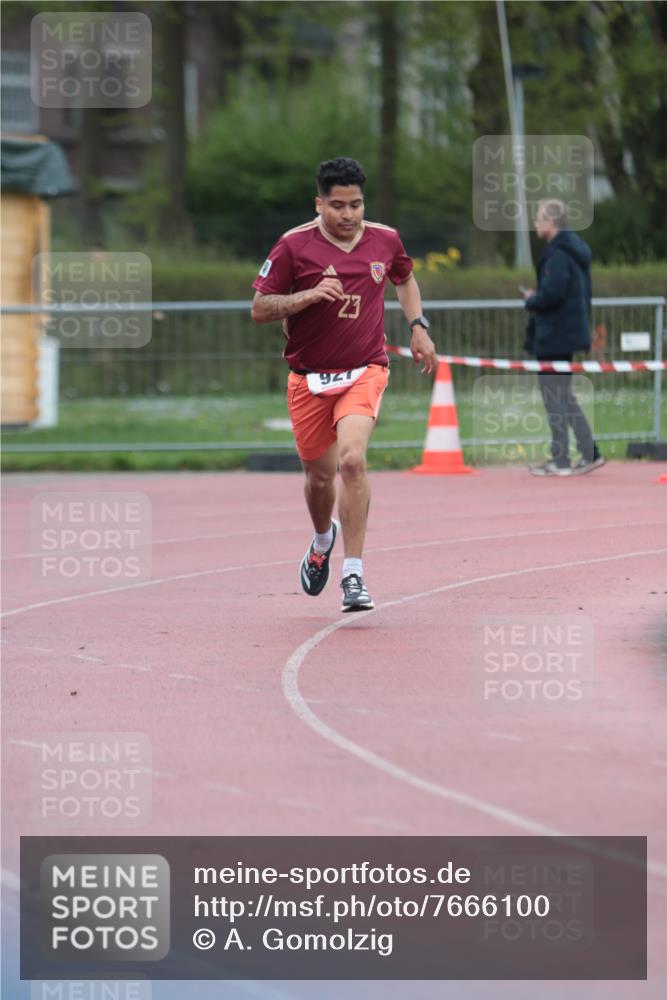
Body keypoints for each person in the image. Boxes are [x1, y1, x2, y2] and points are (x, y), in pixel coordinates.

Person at [251, 156, 437, 611]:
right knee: (319, 479)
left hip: (364, 370)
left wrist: (418, 326)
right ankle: (322, 540)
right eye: (337, 205)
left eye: (356, 204)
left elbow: (405, 278)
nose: (348, 214)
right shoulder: (294, 245)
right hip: (308, 378)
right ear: (319, 203)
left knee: (352, 461)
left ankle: (353, 574)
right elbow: (259, 308)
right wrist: (307, 296)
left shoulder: (385, 239)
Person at [522, 198, 605, 477]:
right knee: (563, 396)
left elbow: (553, 294)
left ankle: (561, 459)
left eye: (539, 217)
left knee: (554, 398)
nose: (535, 222)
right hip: (565, 334)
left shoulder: (558, 254)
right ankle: (589, 452)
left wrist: (532, 299)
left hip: (555, 335)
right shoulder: (573, 250)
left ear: (552, 221)